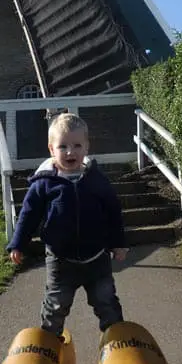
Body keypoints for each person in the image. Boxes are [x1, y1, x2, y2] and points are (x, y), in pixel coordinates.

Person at [7, 113, 128, 337]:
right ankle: (49, 347)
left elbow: (113, 212)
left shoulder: (96, 179)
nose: (70, 152)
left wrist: (118, 243)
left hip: (97, 258)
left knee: (106, 302)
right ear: (51, 149)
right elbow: (29, 214)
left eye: (77, 145)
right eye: (63, 146)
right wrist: (18, 244)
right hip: (60, 261)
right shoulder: (44, 182)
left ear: (87, 147)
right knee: (56, 306)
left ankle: (117, 342)